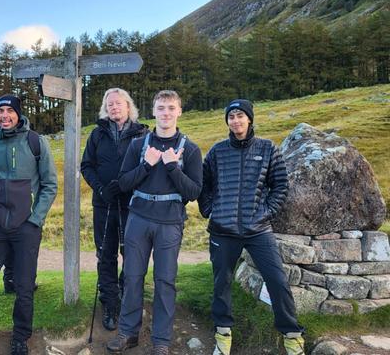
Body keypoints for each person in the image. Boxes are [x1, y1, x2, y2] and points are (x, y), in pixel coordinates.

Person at [197, 99, 305, 355]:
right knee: (221, 283)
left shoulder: (268, 148)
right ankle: (223, 334)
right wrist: (210, 210)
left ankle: (292, 335)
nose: (235, 120)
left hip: (258, 230)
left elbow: (281, 186)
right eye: (231, 116)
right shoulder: (217, 151)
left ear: (250, 118)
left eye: (240, 115)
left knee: (277, 280)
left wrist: (265, 212)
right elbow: (203, 184)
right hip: (222, 231)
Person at [106, 90, 202, 355]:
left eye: (171, 108)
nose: (166, 113)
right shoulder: (139, 146)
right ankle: (128, 333)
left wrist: (173, 167)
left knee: (165, 281)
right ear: (154, 111)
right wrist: (147, 165)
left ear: (179, 111)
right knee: (133, 277)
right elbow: (123, 183)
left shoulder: (190, 149)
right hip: (138, 219)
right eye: (161, 108)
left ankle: (161, 341)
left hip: (170, 223)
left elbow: (194, 192)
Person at [0, 95, 57, 355]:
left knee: (24, 287)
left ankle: (20, 338)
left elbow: (50, 185)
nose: (4, 116)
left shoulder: (36, 142)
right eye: (0, 111)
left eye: (9, 111)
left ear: (18, 113)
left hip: (26, 226)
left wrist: (35, 220)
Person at [80, 88, 148, 331]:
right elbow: (86, 166)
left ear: (129, 106)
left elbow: (148, 168)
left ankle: (126, 298)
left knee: (132, 254)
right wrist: (100, 189)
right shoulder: (98, 134)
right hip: (104, 205)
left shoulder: (142, 134)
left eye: (119, 103)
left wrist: (129, 185)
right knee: (105, 254)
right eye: (109, 104)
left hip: (134, 206)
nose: (114, 107)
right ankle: (109, 302)